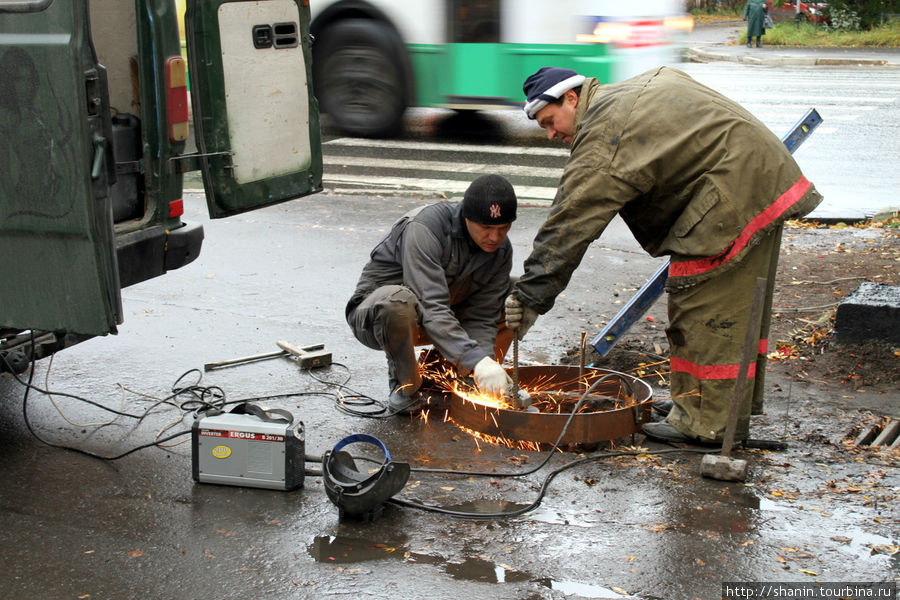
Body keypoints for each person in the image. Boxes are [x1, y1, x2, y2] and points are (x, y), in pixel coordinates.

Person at [505, 66, 823, 445]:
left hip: (733, 199)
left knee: (704, 310)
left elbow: (570, 223)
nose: (551, 133)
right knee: (736, 314)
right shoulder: (628, 93)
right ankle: (702, 409)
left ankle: (705, 425)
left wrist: (530, 296)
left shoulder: (607, 132)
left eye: (550, 121)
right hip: (754, 182)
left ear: (572, 98)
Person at [346, 174, 517, 414]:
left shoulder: (500, 250)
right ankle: (404, 385)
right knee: (399, 300)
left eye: (503, 228)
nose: (495, 238)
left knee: (516, 295)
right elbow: (430, 304)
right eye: (487, 228)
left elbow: (483, 315)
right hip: (380, 318)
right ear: (467, 216)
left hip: (440, 315)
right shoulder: (426, 227)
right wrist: (476, 360)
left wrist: (483, 362)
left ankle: (453, 373)